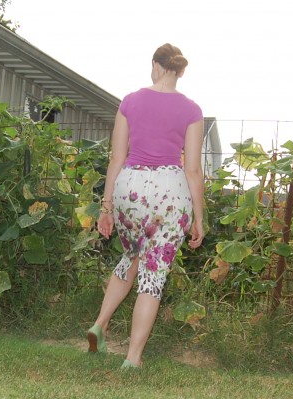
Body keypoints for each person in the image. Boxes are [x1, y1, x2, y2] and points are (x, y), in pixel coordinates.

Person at [87, 43, 205, 369]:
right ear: (180, 71)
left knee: (133, 254)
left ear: (155, 65)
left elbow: (116, 158)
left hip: (130, 188)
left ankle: (100, 323)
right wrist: (199, 216)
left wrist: (106, 206)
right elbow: (193, 169)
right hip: (170, 190)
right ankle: (132, 358)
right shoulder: (191, 110)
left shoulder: (130, 102)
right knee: (152, 274)